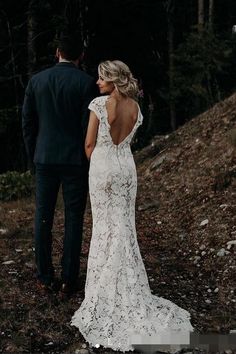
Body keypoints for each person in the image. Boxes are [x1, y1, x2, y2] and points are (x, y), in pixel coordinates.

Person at [71, 60, 193, 351]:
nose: (98, 82)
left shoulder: (99, 104)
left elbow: (89, 145)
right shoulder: (136, 108)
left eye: (102, 78)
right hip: (126, 169)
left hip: (102, 168)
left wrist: (99, 166)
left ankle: (104, 294)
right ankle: (128, 286)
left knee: (104, 229)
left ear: (114, 80)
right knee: (124, 229)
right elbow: (126, 142)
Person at [22, 34, 96, 295]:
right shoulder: (87, 84)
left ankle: (44, 276)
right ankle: (68, 279)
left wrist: (36, 155)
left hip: (44, 159)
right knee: (73, 219)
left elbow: (28, 125)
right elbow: (89, 127)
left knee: (43, 217)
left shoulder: (37, 81)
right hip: (75, 160)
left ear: (57, 52)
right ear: (81, 56)